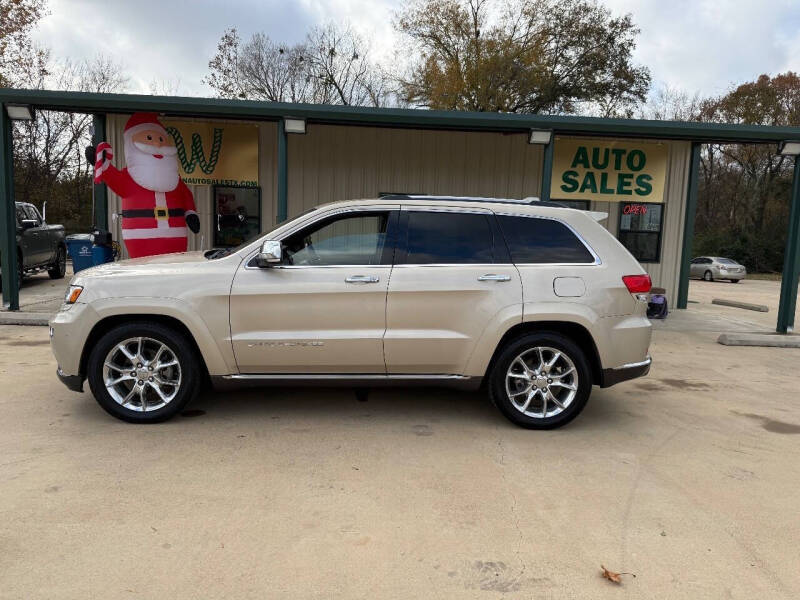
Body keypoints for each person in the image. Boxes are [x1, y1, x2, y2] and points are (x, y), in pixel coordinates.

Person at [94, 112, 200, 258]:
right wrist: (102, 163)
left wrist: (190, 214)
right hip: (140, 240)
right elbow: (113, 178)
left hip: (176, 241)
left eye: (161, 139)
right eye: (149, 138)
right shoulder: (129, 177)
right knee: (144, 272)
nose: (157, 144)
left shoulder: (175, 180)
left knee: (173, 269)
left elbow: (185, 195)